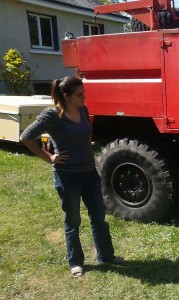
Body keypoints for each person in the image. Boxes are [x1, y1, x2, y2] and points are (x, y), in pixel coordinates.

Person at [20, 76, 125, 277]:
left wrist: (85, 147)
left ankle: (107, 256)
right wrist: (51, 157)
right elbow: (26, 137)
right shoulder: (53, 115)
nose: (84, 97)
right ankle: (76, 262)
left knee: (99, 217)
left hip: (89, 173)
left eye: (83, 93)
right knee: (73, 220)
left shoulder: (83, 110)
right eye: (79, 94)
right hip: (67, 176)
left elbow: (87, 131)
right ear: (66, 96)